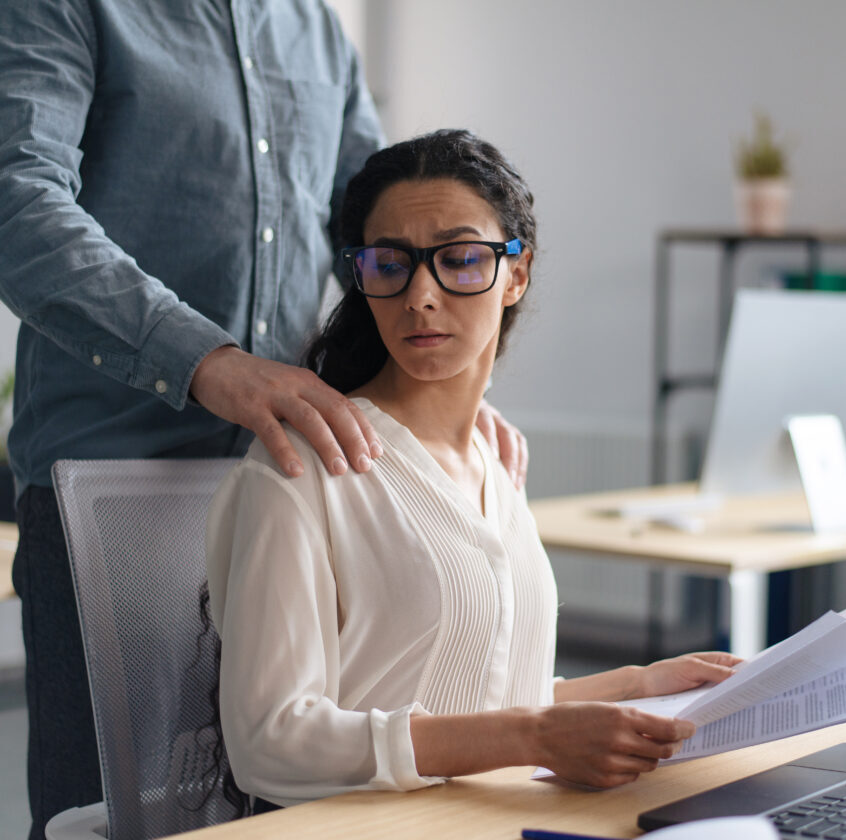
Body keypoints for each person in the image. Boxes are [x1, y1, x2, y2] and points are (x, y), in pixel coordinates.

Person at [0, 4, 525, 836]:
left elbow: (382, 232)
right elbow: (17, 207)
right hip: (108, 481)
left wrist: (449, 384)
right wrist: (208, 362)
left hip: (289, 475)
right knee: (105, 818)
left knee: (274, 806)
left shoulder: (313, 27)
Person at [206, 129, 741, 809]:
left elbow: (471, 698)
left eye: (459, 259)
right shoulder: (303, 465)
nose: (420, 295)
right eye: (390, 264)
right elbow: (269, 740)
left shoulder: (495, 459)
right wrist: (536, 737)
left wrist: (635, 687)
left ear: (516, 273)